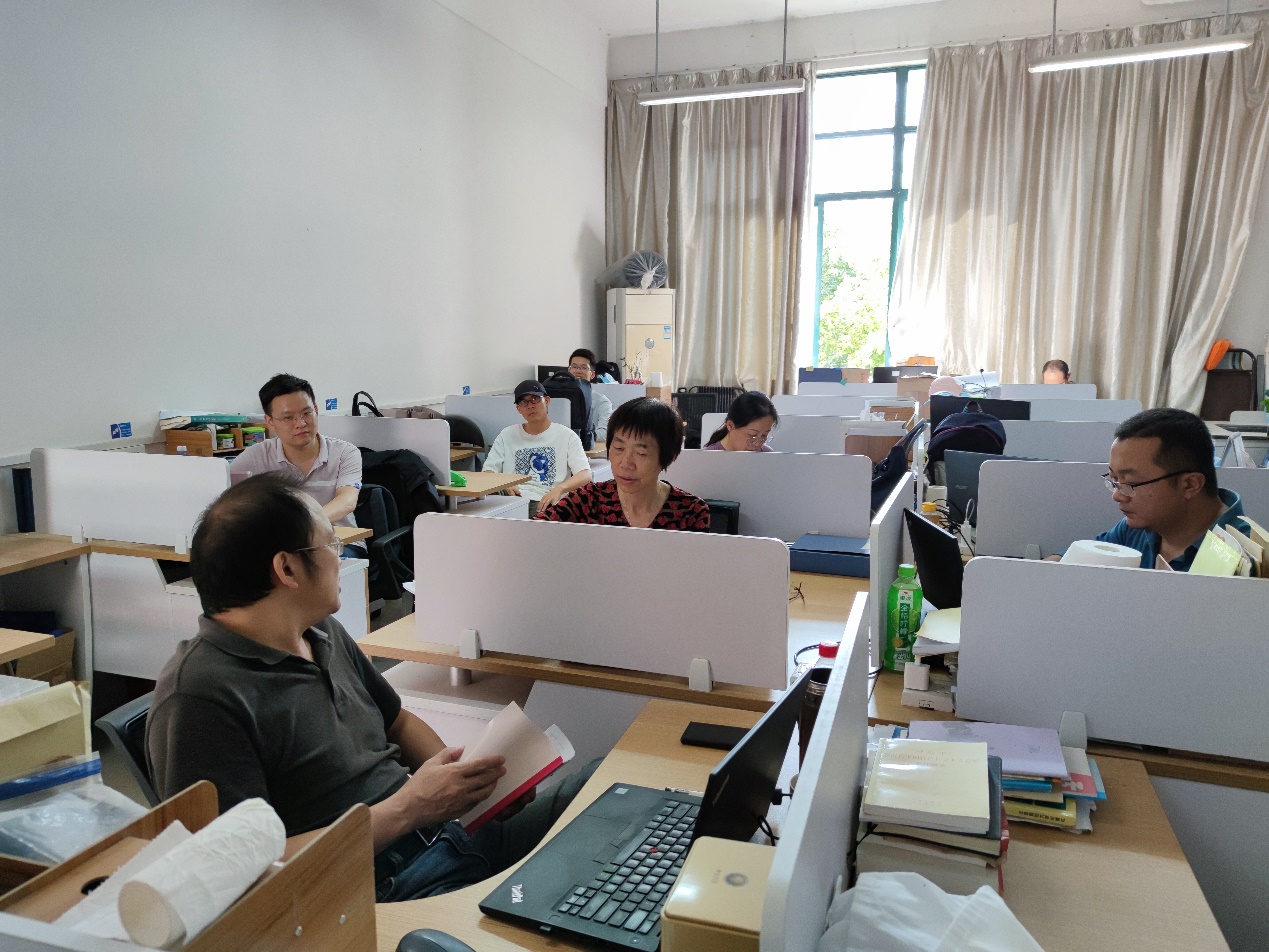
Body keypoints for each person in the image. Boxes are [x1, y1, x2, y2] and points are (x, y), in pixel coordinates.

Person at [147, 472, 594, 901]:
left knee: (606, 793)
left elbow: (397, 722)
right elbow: (233, 875)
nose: (339, 554)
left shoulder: (318, 631)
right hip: (384, 888)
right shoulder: (200, 698)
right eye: (330, 543)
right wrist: (409, 808)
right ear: (287, 568)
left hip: (445, 835)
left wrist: (467, 789)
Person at [1092, 408, 1251, 570]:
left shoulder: (1245, 560)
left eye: (1131, 483)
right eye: (1114, 479)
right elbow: (1083, 565)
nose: (1117, 496)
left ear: (1190, 485)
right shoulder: (1136, 528)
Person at [535, 398, 710, 530]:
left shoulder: (690, 512)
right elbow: (532, 533)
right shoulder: (588, 500)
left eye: (641, 453)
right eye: (619, 448)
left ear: (669, 456)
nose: (626, 464)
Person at [229, 373, 362, 535]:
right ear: (270, 422)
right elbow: (228, 503)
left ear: (316, 410)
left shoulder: (345, 453)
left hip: (339, 540)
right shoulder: (254, 457)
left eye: (307, 413)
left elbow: (347, 501)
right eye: (288, 417)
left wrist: (302, 525)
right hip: (282, 543)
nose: (300, 423)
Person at [484, 380, 591, 517]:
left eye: (535, 399)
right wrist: (503, 483)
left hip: (544, 499)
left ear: (547, 401)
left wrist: (559, 489)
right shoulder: (507, 435)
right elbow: (488, 472)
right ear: (518, 409)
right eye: (523, 402)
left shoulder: (567, 436)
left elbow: (585, 474)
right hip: (510, 497)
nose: (530, 406)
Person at [703, 391, 779, 451]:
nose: (757, 444)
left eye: (764, 435)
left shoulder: (768, 455)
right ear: (730, 425)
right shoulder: (707, 458)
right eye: (752, 435)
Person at [566, 348, 613, 443]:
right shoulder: (559, 398)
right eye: (574, 367)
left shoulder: (602, 402)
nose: (578, 371)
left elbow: (605, 433)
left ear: (592, 374)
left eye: (584, 368)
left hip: (586, 448)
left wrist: (579, 437)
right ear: (568, 370)